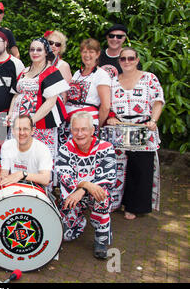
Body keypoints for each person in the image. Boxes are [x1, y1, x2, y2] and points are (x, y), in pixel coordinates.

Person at [106, 47, 164, 218]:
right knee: (119, 167)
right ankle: (116, 203)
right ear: (119, 61)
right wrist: (111, 117)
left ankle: (134, 206)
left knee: (140, 169)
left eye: (131, 58)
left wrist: (153, 120)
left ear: (137, 60)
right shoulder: (113, 81)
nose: (127, 62)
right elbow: (106, 103)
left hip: (142, 127)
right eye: (123, 59)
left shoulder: (149, 78)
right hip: (121, 127)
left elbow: (158, 101)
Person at [7, 37, 68, 186]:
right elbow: (16, 94)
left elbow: (51, 100)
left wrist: (31, 121)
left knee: (37, 157)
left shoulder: (52, 71)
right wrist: (10, 114)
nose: (35, 52)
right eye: (32, 49)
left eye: (39, 49)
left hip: (40, 124)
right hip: (18, 121)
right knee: (17, 155)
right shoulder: (24, 71)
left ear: (46, 52)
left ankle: (41, 190)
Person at [56, 111, 116, 259]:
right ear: (71, 131)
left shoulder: (106, 147)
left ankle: (101, 240)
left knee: (102, 196)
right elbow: (64, 176)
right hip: (74, 194)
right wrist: (86, 186)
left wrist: (83, 188)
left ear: (92, 130)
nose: (79, 133)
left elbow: (108, 177)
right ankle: (78, 221)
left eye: (84, 129)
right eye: (75, 129)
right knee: (66, 236)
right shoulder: (65, 149)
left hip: (93, 193)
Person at [59, 38, 111, 145]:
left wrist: (95, 125)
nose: (87, 55)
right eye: (84, 52)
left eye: (91, 52)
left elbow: (105, 106)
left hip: (85, 125)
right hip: (69, 124)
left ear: (97, 54)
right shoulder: (77, 73)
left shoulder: (101, 75)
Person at [0, 115, 52, 187]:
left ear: (32, 131)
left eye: (25, 129)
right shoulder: (7, 146)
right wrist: (1, 179)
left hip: (35, 189)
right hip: (13, 188)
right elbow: (4, 173)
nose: (22, 133)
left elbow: (45, 179)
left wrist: (22, 174)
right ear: (13, 131)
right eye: (18, 129)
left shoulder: (42, 149)